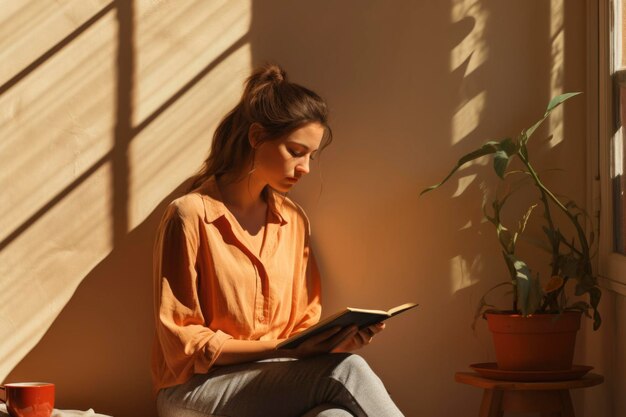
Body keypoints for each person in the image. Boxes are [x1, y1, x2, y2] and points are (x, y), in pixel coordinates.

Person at [152, 63, 404, 417]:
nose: (306, 168)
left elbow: (301, 329)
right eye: (296, 152)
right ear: (256, 137)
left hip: (276, 381)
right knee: (349, 370)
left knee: (336, 416)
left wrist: (332, 343)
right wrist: (285, 349)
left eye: (311, 157)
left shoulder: (293, 221)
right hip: (195, 390)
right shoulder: (190, 215)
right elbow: (184, 343)